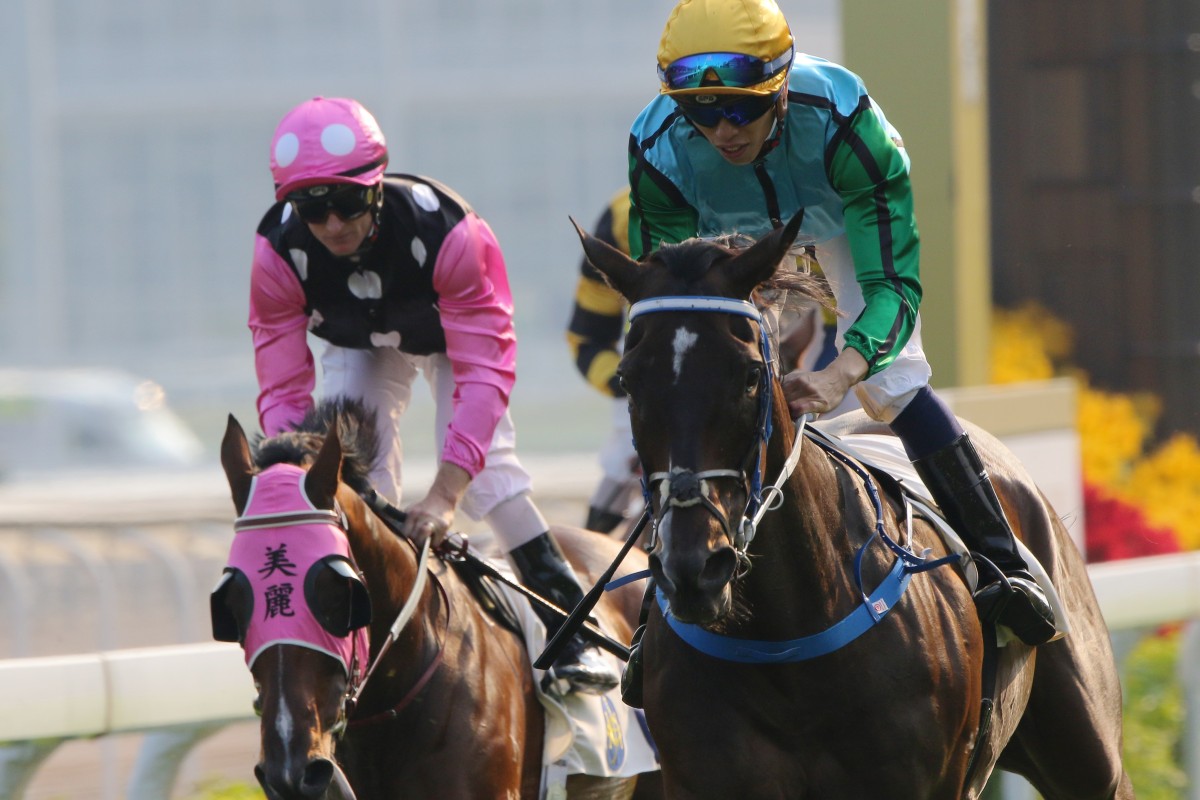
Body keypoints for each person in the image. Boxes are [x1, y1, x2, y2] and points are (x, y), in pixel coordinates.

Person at [627, 0, 1056, 646]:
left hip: (839, 222)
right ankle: (660, 591)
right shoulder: (658, 147)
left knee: (891, 383)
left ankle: (1003, 562)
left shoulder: (845, 122)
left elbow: (893, 289)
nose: (722, 131)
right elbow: (669, 305)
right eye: (700, 112)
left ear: (780, 87)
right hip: (731, 241)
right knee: (686, 379)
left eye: (742, 108)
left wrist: (840, 373)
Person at [248, 96, 619, 694]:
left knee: (489, 473)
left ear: (375, 187)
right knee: (349, 477)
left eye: (347, 203)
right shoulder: (276, 251)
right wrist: (292, 478)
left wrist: (446, 495)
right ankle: (358, 634)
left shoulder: (448, 232)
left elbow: (484, 372)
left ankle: (576, 630)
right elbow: (283, 391)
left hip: (453, 342)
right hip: (358, 342)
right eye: (312, 210)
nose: (333, 225)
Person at [568, 190, 843, 535]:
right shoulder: (623, 213)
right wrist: (641, 386)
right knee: (615, 482)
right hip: (654, 379)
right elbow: (587, 339)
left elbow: (838, 318)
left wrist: (827, 375)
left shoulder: (801, 193)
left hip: (780, 367)